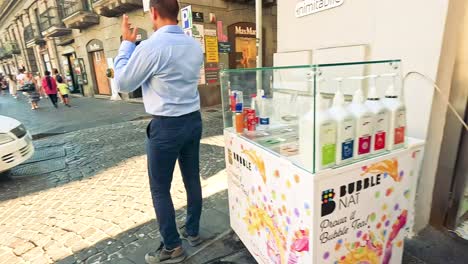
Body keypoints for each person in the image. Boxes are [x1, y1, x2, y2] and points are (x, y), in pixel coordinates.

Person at [114, 1, 204, 263]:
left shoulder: (151, 47)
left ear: (153, 12)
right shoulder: (194, 45)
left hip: (166, 126)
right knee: (192, 179)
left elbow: (122, 83)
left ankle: (172, 246)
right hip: (193, 120)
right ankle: (193, 231)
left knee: (160, 189)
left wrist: (126, 44)